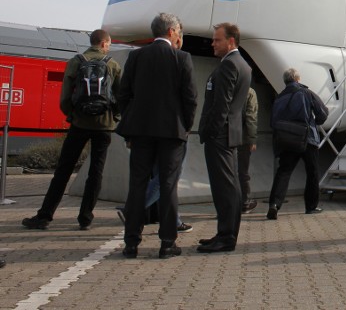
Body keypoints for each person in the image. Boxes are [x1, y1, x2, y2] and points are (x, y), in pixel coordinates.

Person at [22, 29, 122, 231]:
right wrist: (114, 118)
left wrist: (73, 114)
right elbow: (120, 96)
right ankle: (85, 217)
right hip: (104, 127)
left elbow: (65, 97)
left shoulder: (76, 61)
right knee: (96, 172)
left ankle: (44, 216)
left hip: (79, 124)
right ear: (104, 44)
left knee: (63, 170)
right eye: (109, 44)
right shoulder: (113, 64)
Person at [115, 13, 197, 259]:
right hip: (172, 133)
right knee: (168, 185)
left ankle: (131, 243)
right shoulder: (182, 58)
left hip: (140, 132)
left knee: (137, 184)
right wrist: (186, 126)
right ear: (172, 32)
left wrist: (131, 124)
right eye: (179, 31)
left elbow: (123, 94)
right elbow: (190, 98)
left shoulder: (136, 56)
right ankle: (167, 242)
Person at [197, 23, 252, 253]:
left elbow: (222, 105)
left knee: (225, 187)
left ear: (230, 41)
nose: (212, 43)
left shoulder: (230, 64)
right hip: (230, 133)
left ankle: (227, 237)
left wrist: (211, 131)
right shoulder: (242, 64)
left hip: (221, 134)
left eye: (217, 40)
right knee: (230, 185)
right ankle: (224, 233)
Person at [267, 68, 328, 219]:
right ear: (297, 79)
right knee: (312, 172)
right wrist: (315, 123)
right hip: (307, 138)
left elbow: (273, 122)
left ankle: (274, 204)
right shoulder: (306, 93)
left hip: (287, 140)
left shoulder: (279, 97)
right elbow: (323, 112)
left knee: (284, 171)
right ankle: (311, 206)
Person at [239, 87, 259, 213]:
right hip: (242, 139)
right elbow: (251, 116)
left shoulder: (226, 86)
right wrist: (252, 139)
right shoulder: (249, 91)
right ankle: (245, 202)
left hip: (224, 138)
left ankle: (228, 203)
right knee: (242, 171)